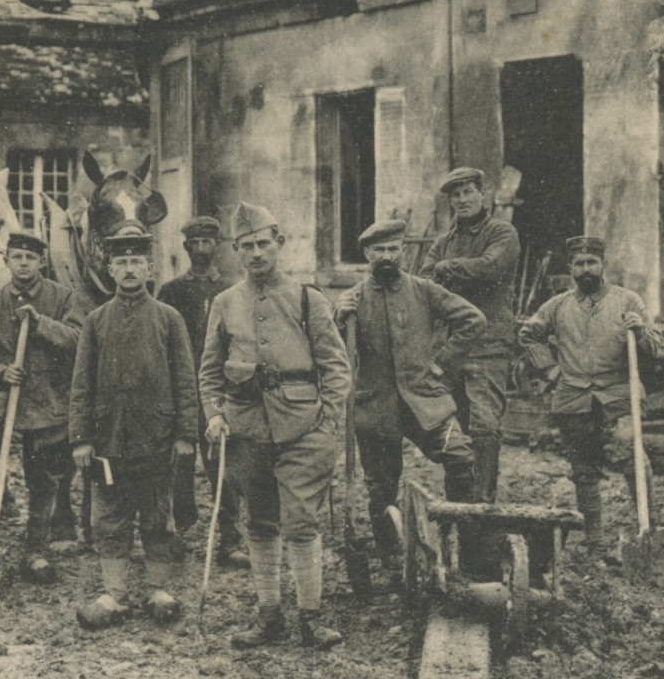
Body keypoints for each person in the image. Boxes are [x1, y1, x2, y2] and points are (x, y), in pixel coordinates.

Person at [198, 202, 352, 650]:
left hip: (304, 429)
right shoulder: (225, 303)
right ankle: (269, 618)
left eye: (264, 243)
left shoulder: (308, 300)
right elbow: (209, 371)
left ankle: (311, 618)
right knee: (260, 522)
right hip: (247, 430)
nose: (256, 253)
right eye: (246, 246)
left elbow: (336, 368)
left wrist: (327, 424)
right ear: (236, 251)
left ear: (279, 244)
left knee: (302, 522)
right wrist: (214, 413)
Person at [335, 219, 487, 579]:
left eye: (393, 249)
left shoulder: (424, 290)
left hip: (425, 401)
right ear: (368, 254)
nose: (387, 256)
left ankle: (466, 547)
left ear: (402, 251)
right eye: (379, 250)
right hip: (376, 407)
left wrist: (441, 364)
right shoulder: (353, 300)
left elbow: (473, 320)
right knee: (381, 485)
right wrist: (339, 318)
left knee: (461, 458)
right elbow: (334, 354)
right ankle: (391, 558)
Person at [69, 226, 199, 628]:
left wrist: (185, 434)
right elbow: (81, 384)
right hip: (109, 438)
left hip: (156, 438)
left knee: (158, 514)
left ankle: (158, 590)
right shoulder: (95, 321)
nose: (128, 269)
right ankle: (115, 594)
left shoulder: (168, 318)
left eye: (136, 261)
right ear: (109, 269)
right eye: (121, 262)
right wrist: (80, 438)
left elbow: (185, 381)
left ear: (149, 267)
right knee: (108, 517)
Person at [519, 235, 664, 565]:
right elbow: (527, 334)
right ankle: (596, 544)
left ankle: (650, 531)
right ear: (570, 268)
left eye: (592, 263)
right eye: (579, 264)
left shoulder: (628, 301)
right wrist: (550, 369)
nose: (586, 269)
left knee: (633, 459)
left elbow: (659, 348)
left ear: (604, 266)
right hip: (573, 400)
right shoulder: (556, 306)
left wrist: (640, 330)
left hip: (618, 396)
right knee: (584, 472)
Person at [0, 231, 86, 582]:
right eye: (17, 257)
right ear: (7, 261)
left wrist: (42, 324)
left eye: (30, 258)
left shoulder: (63, 297)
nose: (24, 264)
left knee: (42, 475)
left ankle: (35, 550)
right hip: (4, 390)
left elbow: (78, 341)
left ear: (41, 262)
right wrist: (1, 372)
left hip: (46, 395)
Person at [419, 167, 520, 508]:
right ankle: (458, 507)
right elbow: (423, 281)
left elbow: (491, 268)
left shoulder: (502, 232)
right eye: (455, 195)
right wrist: (452, 271)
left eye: (467, 192)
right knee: (453, 431)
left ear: (483, 195)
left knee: (483, 423)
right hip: (450, 348)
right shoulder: (443, 241)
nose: (461, 200)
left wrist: (448, 270)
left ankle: (483, 507)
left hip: (488, 345)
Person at [156, 214, 247, 567]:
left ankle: (229, 538)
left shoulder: (229, 290)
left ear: (218, 246)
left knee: (221, 464)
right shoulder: (171, 292)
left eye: (208, 242)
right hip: (180, 391)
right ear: (186, 247)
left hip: (216, 392)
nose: (202, 249)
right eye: (195, 243)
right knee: (178, 463)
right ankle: (176, 534)